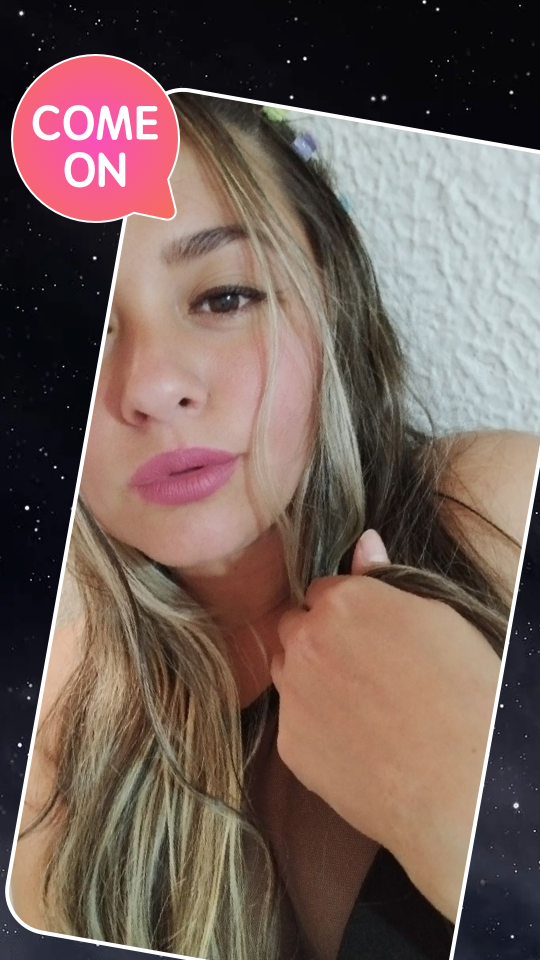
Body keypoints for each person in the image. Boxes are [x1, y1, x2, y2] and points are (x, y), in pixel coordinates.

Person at [9, 92, 539, 960]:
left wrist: (461, 801)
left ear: (331, 299)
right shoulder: (54, 738)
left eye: (224, 296)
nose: (151, 387)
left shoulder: (499, 513)